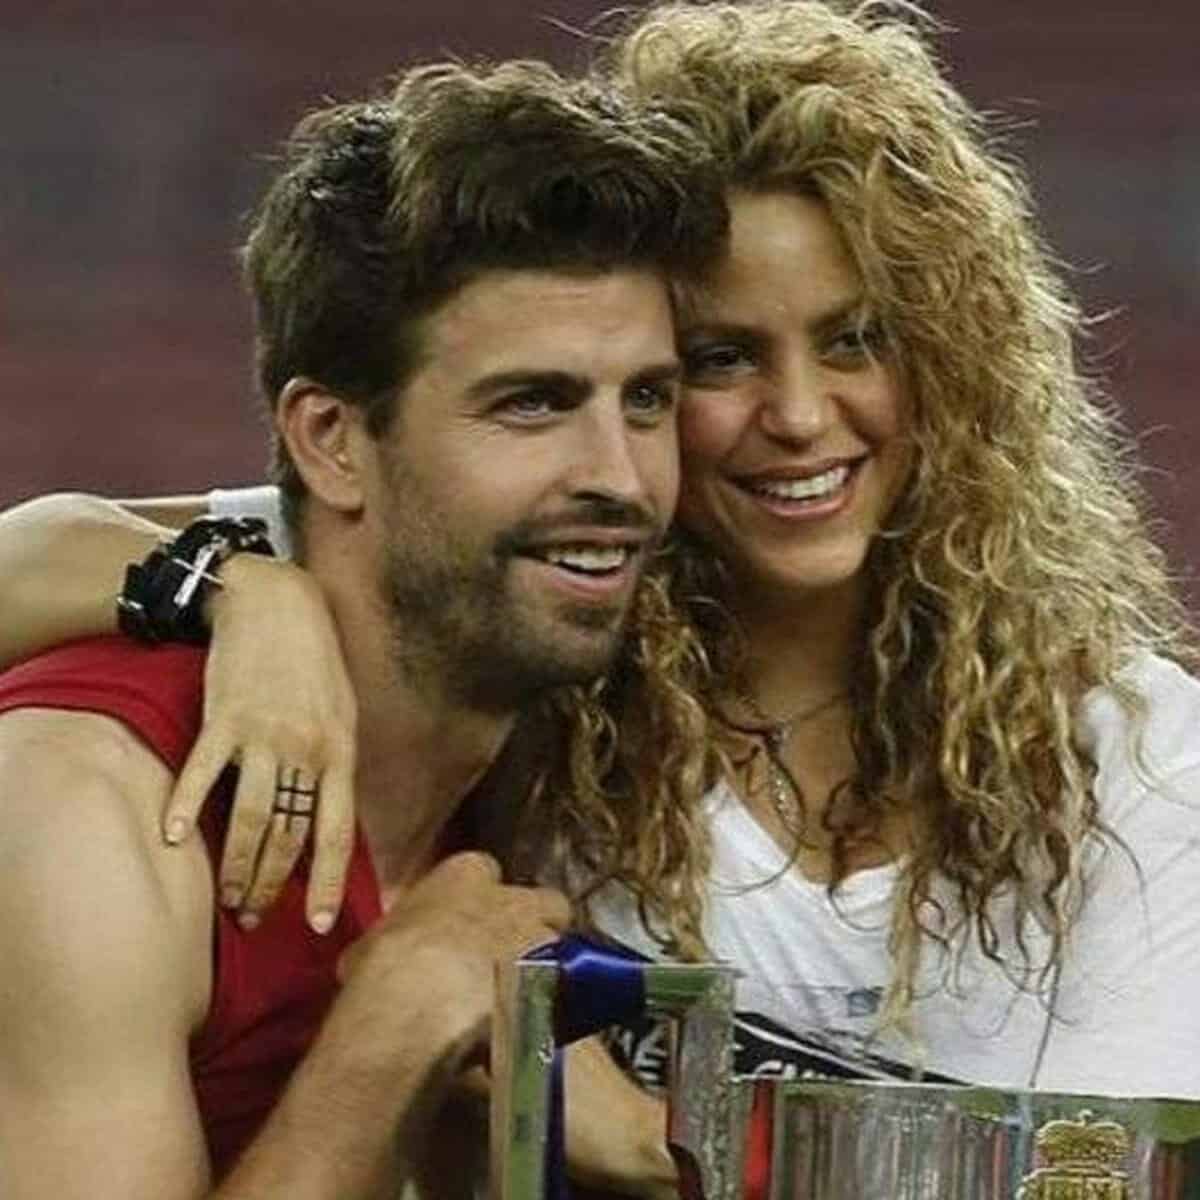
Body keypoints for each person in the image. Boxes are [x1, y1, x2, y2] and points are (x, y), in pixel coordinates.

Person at [4, 0, 1199, 1124]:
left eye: (856, 340)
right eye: (723, 358)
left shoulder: (1139, 758)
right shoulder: (538, 620)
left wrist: (655, 1144)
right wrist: (240, 590)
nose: (799, 415)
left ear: (954, 362)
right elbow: (50, 543)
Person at [0, 56, 729, 1200]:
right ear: (332, 442)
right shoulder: (86, 805)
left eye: (646, 399)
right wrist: (391, 1037)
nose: (621, 477)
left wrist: (649, 1153)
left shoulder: (567, 748)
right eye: (532, 403)